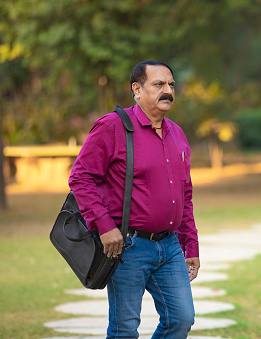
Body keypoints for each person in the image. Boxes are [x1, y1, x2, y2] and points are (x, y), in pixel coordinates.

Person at [69, 60, 199, 338]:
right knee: (125, 329)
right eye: (159, 84)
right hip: (128, 247)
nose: (168, 91)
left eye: (171, 85)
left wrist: (191, 244)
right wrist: (105, 227)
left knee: (181, 319)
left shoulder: (177, 133)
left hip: (171, 247)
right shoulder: (112, 127)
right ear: (136, 89)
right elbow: (81, 178)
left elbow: (184, 194)